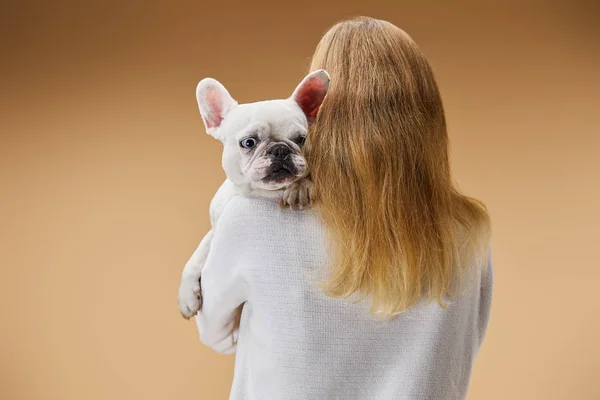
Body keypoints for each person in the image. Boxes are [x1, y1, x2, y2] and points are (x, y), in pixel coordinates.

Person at [195, 16, 493, 400]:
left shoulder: (254, 216)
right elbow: (468, 342)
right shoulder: (468, 231)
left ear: (321, 111)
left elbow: (216, 334)